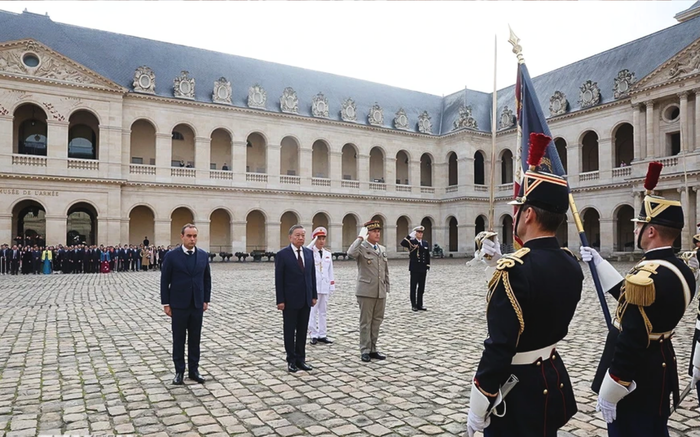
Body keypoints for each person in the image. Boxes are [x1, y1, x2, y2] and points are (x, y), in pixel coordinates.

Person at [467, 135, 582, 437]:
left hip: (517, 393)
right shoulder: (570, 262)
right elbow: (539, 287)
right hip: (550, 379)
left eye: (519, 208)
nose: (515, 213)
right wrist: (501, 262)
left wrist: (478, 404)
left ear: (529, 214)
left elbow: (499, 347)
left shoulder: (515, 272)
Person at [580, 162, 696, 437]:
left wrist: (612, 388)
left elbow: (631, 338)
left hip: (635, 377)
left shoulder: (647, 275)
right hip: (661, 366)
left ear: (651, 231)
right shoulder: (683, 270)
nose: (634, 231)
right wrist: (600, 263)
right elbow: (634, 299)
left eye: (639, 226)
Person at [160, 224, 211, 385]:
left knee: (195, 338)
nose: (192, 239)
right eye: (189, 236)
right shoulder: (172, 256)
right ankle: (179, 371)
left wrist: (205, 300)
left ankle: (194, 370)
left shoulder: (203, 255)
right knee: (179, 338)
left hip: (196, 304)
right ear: (182, 236)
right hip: (179, 304)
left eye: (194, 236)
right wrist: (166, 303)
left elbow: (206, 279)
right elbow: (165, 281)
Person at [275, 225, 318, 373]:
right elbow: (279, 280)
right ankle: (291, 360)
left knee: (302, 331)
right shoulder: (282, 255)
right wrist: (280, 300)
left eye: (302, 235)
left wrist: (314, 295)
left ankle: (301, 359)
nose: (300, 238)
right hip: (290, 300)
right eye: (297, 235)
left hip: (306, 299)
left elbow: (311, 276)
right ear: (290, 237)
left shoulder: (308, 253)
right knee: (289, 331)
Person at [347, 220, 390, 363]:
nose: (377, 233)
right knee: (365, 322)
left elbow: (385, 271)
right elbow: (350, 253)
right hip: (366, 291)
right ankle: (364, 349)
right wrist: (360, 238)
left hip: (380, 291)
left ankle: (373, 348)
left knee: (377, 321)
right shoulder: (361, 248)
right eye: (374, 231)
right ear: (368, 233)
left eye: (379, 231)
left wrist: (387, 287)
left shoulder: (381, 249)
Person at [307, 227, 336, 345]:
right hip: (314, 287)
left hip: (324, 286)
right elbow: (305, 249)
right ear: (314, 239)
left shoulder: (327, 254)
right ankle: (313, 334)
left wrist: (332, 285)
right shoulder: (309, 252)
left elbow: (330, 271)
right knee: (312, 311)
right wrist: (312, 242)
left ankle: (322, 334)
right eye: (319, 238)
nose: (321, 241)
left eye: (323, 238)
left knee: (323, 311)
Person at [400, 225, 431, 311]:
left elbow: (427, 254)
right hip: (415, 268)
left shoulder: (425, 243)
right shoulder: (412, 242)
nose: (420, 234)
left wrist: (428, 264)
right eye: (418, 232)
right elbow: (402, 243)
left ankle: (420, 304)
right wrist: (410, 236)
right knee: (413, 287)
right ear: (415, 233)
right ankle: (414, 305)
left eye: (421, 233)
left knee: (421, 287)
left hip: (423, 268)